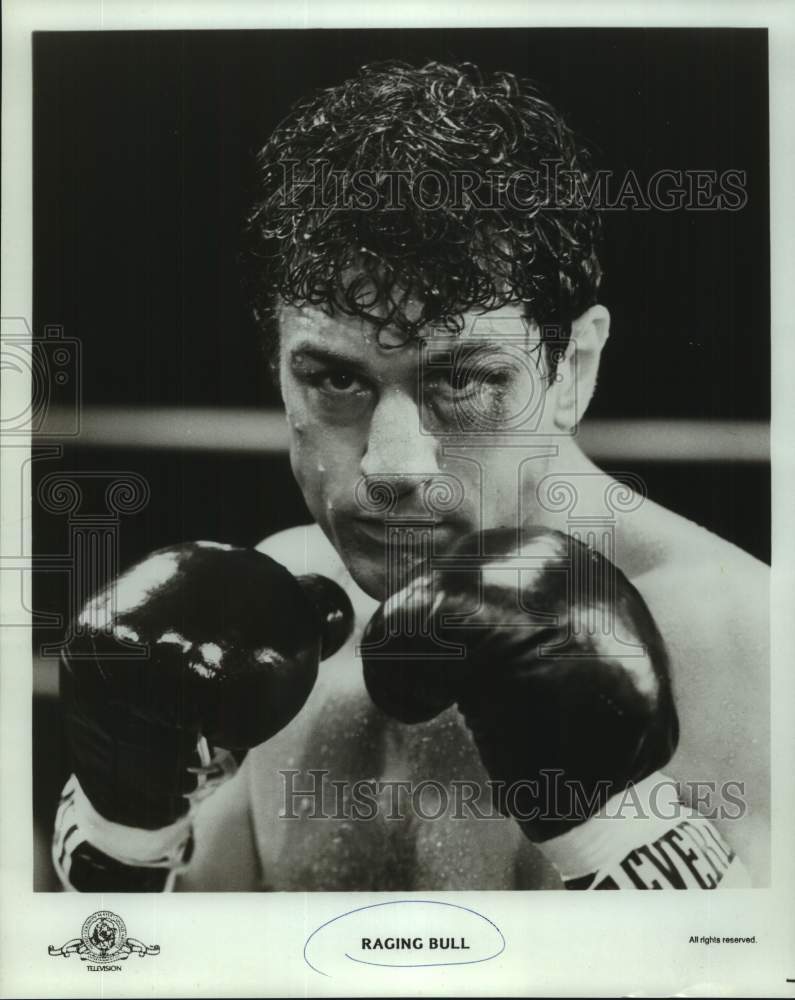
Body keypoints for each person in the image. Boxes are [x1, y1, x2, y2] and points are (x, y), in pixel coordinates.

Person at [54, 61, 769, 891]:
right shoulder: (274, 615)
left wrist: (621, 836)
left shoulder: (733, 637)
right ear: (278, 370)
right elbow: (153, 970)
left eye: (462, 381)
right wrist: (123, 830)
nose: (393, 464)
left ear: (570, 367)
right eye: (336, 379)